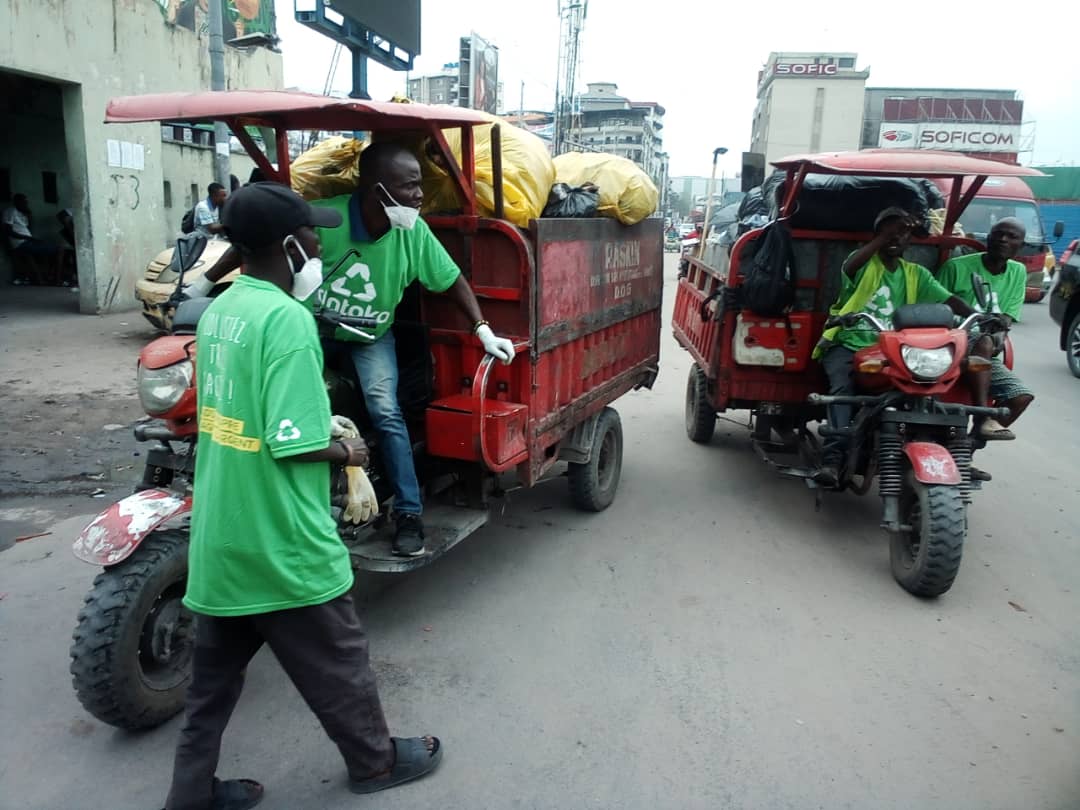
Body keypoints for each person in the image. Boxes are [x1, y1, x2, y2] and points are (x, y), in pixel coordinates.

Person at [163, 182, 442, 810]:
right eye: (313, 235)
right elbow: (292, 442)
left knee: (210, 688)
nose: (321, 242)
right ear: (291, 246)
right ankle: (374, 763)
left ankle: (190, 794)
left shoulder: (222, 312)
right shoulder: (287, 320)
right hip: (280, 535)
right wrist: (348, 450)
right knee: (340, 657)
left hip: (223, 532)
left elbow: (239, 416)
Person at [187, 143, 515, 557]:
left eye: (419, 186)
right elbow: (256, 242)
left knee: (385, 411)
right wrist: (203, 283)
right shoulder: (329, 217)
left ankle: (409, 514)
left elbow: (450, 279)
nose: (419, 196)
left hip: (370, 337)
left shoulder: (410, 230)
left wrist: (482, 329)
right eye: (410, 186)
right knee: (279, 407)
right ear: (379, 191)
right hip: (309, 330)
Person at [812, 207, 976, 487]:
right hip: (849, 343)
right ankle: (832, 458)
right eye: (890, 232)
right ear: (878, 235)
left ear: (910, 240)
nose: (896, 237)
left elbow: (949, 300)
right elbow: (850, 266)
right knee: (842, 391)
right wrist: (884, 235)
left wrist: (978, 315)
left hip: (894, 351)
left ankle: (947, 452)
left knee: (930, 387)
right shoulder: (863, 263)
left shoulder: (916, 274)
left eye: (903, 233)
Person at [937, 217, 1034, 441]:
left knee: (1021, 397)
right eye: (998, 234)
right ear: (988, 238)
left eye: (1012, 237)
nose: (1003, 239)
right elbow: (935, 307)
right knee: (984, 341)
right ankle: (982, 418)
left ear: (1021, 244)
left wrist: (1000, 334)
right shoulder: (956, 267)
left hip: (984, 350)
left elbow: (1006, 318)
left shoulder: (1017, 272)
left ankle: (967, 451)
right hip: (950, 342)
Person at [2, 193, 62, 283]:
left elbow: (29, 229)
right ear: (16, 202)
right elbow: (8, 231)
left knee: (49, 248)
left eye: (26, 202)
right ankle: (57, 279)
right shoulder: (10, 211)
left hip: (28, 242)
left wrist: (30, 216)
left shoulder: (23, 213)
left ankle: (46, 278)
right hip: (20, 243)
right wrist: (28, 238)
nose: (26, 204)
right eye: (23, 202)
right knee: (60, 250)